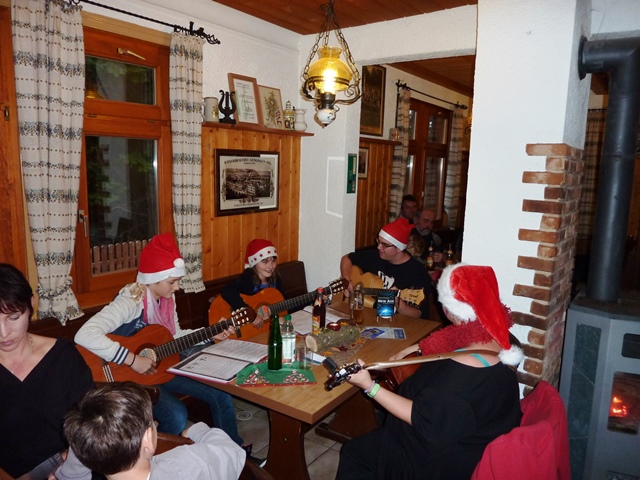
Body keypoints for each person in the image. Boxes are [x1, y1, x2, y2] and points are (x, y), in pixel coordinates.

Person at [336, 264, 524, 480]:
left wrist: (369, 386)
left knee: (354, 453)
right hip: (472, 439)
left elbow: (423, 421)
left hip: (434, 461)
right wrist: (418, 347)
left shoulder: (458, 378)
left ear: (449, 310)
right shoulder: (501, 338)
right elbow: (456, 336)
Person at [74, 233, 245, 448]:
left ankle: (233, 452)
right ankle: (152, 464)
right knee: (176, 414)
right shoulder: (131, 300)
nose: (176, 288)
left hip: (157, 368)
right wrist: (132, 360)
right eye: (172, 282)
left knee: (219, 393)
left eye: (178, 281)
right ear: (152, 279)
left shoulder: (166, 299)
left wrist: (209, 333)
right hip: (120, 378)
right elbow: (84, 334)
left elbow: (171, 338)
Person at [0, 263, 94, 478]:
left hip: (71, 466)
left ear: (31, 305)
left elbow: (91, 422)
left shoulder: (63, 358)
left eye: (13, 317)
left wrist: (68, 468)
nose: (4, 333)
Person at [60, 382, 245, 480]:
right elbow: (234, 452)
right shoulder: (188, 463)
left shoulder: (86, 456)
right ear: (148, 439)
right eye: (153, 424)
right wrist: (199, 430)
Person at [340, 217, 431, 318]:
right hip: (369, 316)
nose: (378, 247)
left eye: (385, 245)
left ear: (399, 248)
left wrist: (401, 306)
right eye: (378, 241)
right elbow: (346, 258)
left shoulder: (417, 272)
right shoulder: (376, 256)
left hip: (399, 323)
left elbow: (418, 314)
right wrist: (346, 280)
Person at [221, 239, 284, 328]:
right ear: (254, 262)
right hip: (246, 328)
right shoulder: (247, 279)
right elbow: (227, 291)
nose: (271, 266)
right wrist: (250, 315)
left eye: (273, 261)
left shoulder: (276, 280)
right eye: (265, 261)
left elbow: (281, 303)